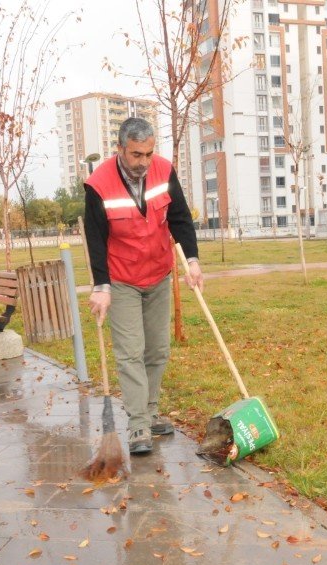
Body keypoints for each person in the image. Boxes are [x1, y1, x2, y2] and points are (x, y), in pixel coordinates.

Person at [83, 116, 203, 455]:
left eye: (148, 154)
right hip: (121, 279)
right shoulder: (99, 184)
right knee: (130, 351)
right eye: (136, 155)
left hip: (158, 273)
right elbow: (96, 238)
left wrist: (192, 261)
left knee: (157, 350)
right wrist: (101, 286)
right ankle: (137, 425)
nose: (143, 163)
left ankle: (150, 414)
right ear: (120, 149)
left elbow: (179, 217)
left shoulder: (164, 170)